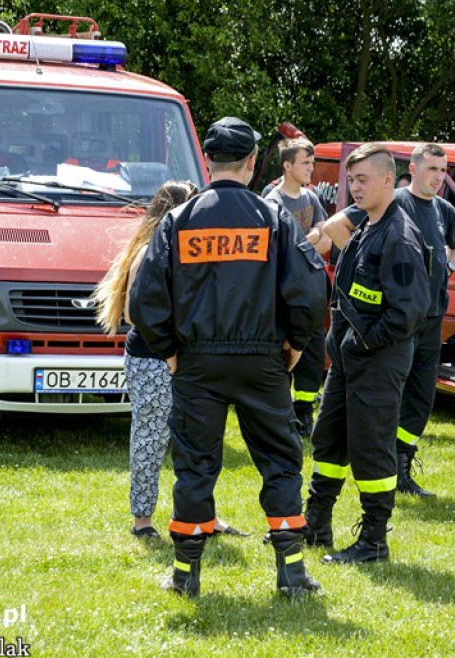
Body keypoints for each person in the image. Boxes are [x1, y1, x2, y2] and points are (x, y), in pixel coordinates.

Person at [130, 117, 328, 596]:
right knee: (281, 462)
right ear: (252, 162)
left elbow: (143, 300)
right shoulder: (274, 218)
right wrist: (296, 346)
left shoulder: (179, 220)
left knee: (195, 466)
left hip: (197, 363)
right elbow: (310, 290)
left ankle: (185, 576)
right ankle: (293, 573)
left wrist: (170, 353)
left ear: (209, 163)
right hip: (264, 360)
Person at [92, 181, 247, 541]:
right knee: (150, 438)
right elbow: (134, 313)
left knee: (200, 439)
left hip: (188, 358)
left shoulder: (185, 249)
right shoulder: (150, 253)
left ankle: (204, 515)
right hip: (153, 359)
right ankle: (143, 521)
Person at [305, 143, 429, 563]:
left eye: (363, 180)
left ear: (388, 180)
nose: (355, 188)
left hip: (377, 359)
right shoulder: (367, 225)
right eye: (351, 181)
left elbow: (409, 312)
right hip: (347, 360)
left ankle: (373, 541)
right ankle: (316, 524)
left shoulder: (399, 235)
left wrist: (364, 343)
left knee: (372, 448)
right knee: (329, 438)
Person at [321, 143, 455, 498]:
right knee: (348, 424)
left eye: (443, 170)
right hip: (383, 330)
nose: (438, 177)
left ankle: (402, 463)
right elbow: (335, 225)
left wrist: (447, 265)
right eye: (433, 169)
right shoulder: (391, 204)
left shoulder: (441, 210)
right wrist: (361, 263)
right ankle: (322, 512)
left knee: (418, 396)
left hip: (422, 318)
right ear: (410, 171)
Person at [264, 138, 332, 436]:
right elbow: (278, 247)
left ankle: (304, 413)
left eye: (312, 163)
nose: (311, 168)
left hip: (309, 293)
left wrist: (306, 240)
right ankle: (279, 415)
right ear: (287, 165)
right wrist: (311, 239)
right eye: (305, 163)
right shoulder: (272, 200)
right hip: (280, 293)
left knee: (313, 353)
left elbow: (327, 238)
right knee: (281, 351)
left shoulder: (311, 199)